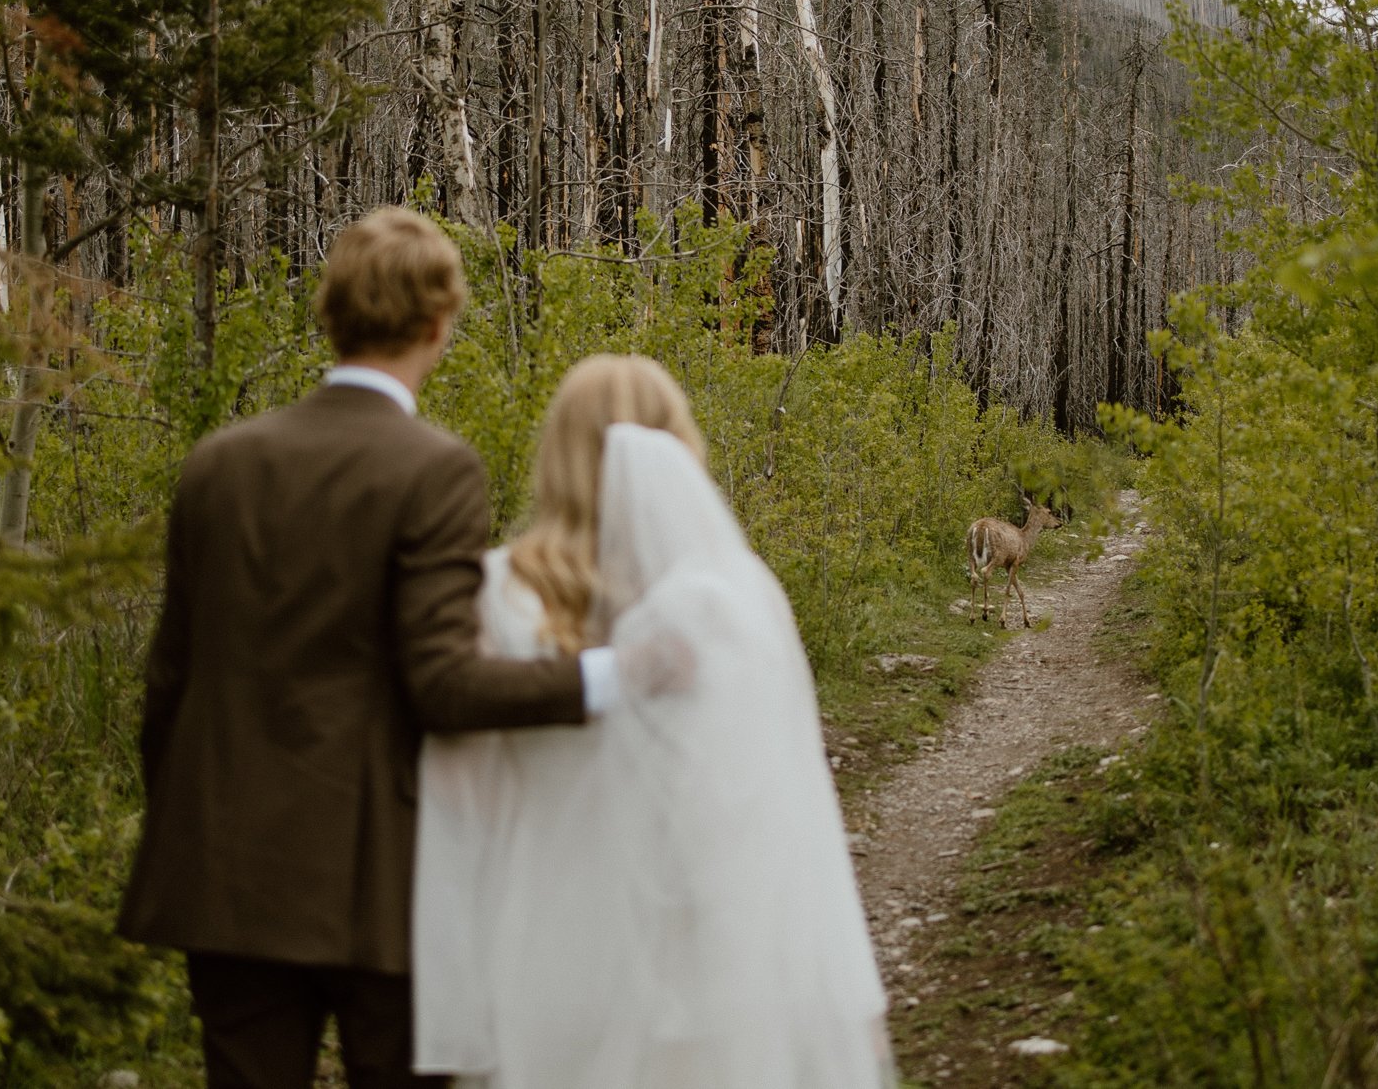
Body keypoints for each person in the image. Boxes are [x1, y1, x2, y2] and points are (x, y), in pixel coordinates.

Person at [117, 210, 686, 1089]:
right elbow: (444, 685)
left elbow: (169, 684)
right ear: (438, 323)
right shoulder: (433, 469)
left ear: (330, 312)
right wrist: (616, 673)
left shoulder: (218, 463)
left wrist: (192, 822)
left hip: (224, 868)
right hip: (378, 877)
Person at [415, 355, 894, 1089]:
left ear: (557, 455)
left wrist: (453, 1010)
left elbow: (456, 808)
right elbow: (771, 807)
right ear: (678, 445)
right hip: (690, 967)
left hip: (541, 960)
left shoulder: (496, 594)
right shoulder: (723, 605)